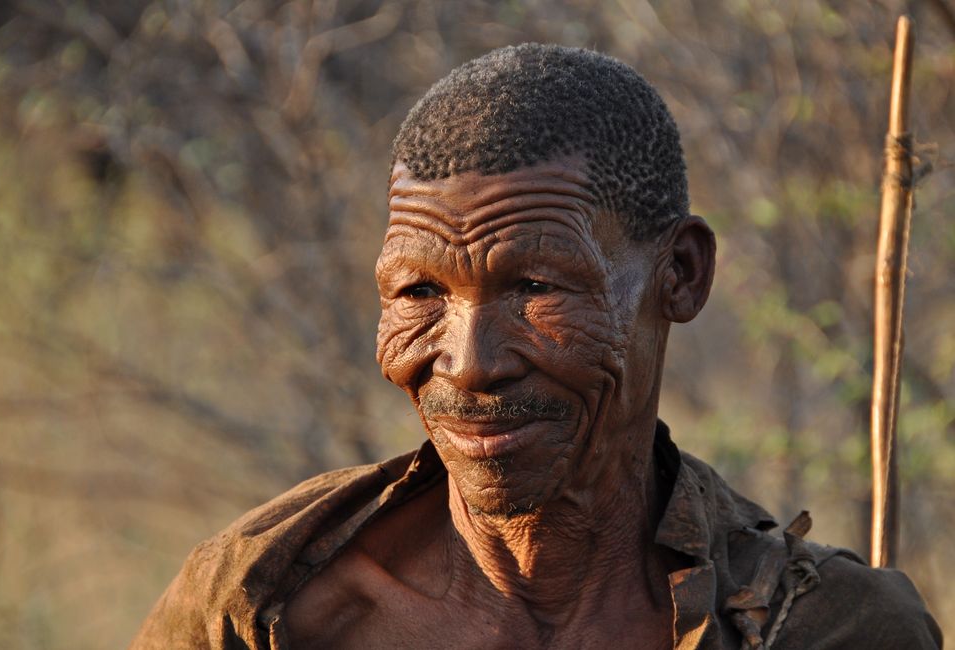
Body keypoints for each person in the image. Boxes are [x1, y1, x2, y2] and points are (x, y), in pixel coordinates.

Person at [131, 44, 942, 649]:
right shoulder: (260, 603)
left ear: (681, 276)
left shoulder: (825, 629)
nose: (472, 362)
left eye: (536, 289)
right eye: (418, 293)